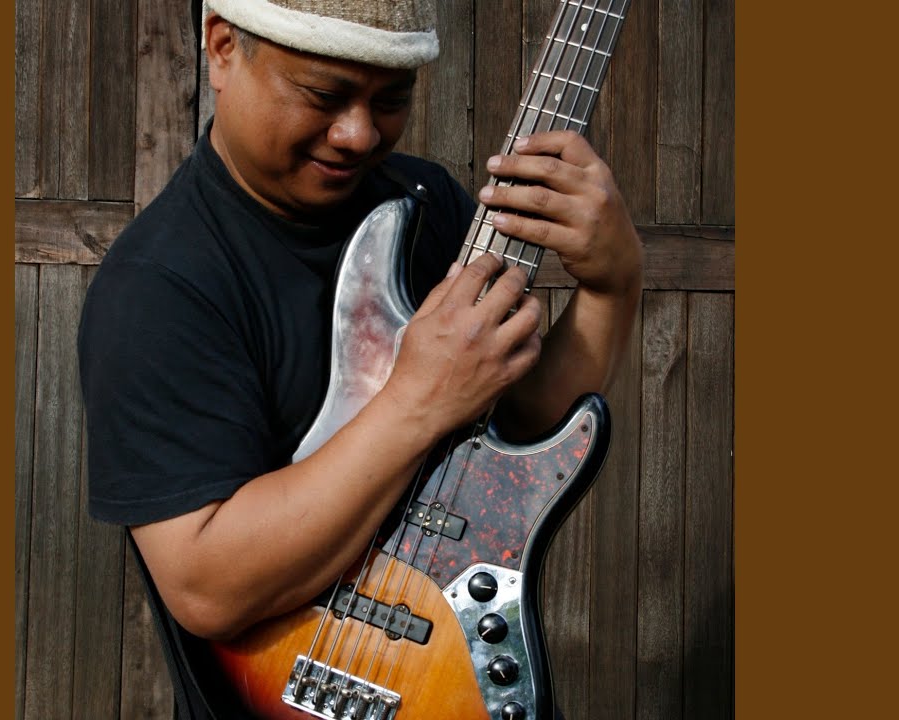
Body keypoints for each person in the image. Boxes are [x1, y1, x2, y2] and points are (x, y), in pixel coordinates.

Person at [78, 1, 642, 717]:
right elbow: (206, 587)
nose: (359, 134)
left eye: (390, 100)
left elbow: (515, 435)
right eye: (323, 95)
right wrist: (418, 400)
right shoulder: (159, 287)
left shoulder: (425, 203)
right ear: (221, 49)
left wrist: (613, 283)